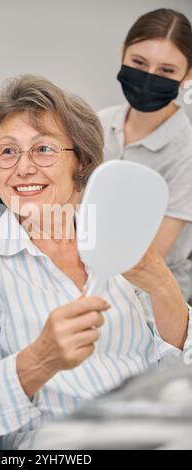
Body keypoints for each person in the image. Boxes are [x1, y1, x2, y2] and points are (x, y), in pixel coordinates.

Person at [0, 75, 192, 450]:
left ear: (81, 162)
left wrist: (162, 285)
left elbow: (174, 373)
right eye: (7, 152)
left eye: (43, 149)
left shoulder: (117, 241)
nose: (22, 168)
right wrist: (39, 360)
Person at [98, 8, 192, 301]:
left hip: (152, 296)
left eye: (166, 70)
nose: (149, 78)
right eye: (138, 62)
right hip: (88, 272)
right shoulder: (98, 124)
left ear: (188, 75)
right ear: (123, 54)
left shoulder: (187, 150)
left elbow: (147, 259)